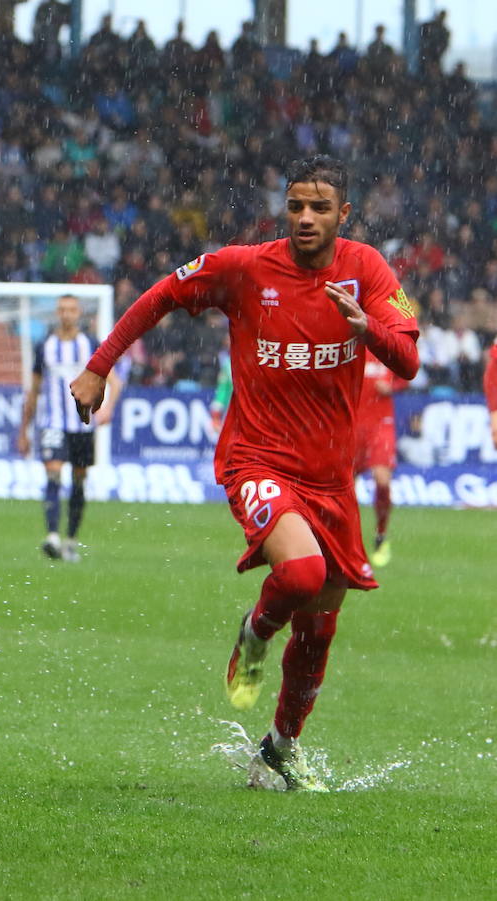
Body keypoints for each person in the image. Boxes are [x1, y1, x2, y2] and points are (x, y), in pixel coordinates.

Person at [70, 156, 419, 791]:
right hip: (256, 459)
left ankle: (279, 749)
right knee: (301, 574)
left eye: (319, 208)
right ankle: (255, 633)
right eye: (295, 206)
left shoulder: (366, 270)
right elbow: (162, 295)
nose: (305, 218)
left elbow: (409, 357)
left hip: (331, 479)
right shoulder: (245, 267)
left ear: (345, 214)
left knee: (321, 622)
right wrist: (100, 365)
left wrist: (366, 328)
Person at [17, 294, 122, 562]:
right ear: (57, 313)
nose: (67, 314)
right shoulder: (45, 347)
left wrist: (107, 408)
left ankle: (71, 541)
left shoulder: (90, 344)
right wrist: (23, 430)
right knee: (53, 472)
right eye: (62, 309)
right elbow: (34, 391)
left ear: (78, 313)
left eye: (71, 309)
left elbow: (115, 382)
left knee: (78, 480)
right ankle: (52, 536)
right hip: (52, 422)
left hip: (82, 426)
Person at [353, 349, 408, 566]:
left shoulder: (386, 348)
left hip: (380, 426)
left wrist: (393, 387)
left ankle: (381, 534)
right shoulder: (351, 346)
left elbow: (407, 375)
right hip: (352, 425)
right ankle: (348, 541)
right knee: (345, 487)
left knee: (382, 481)